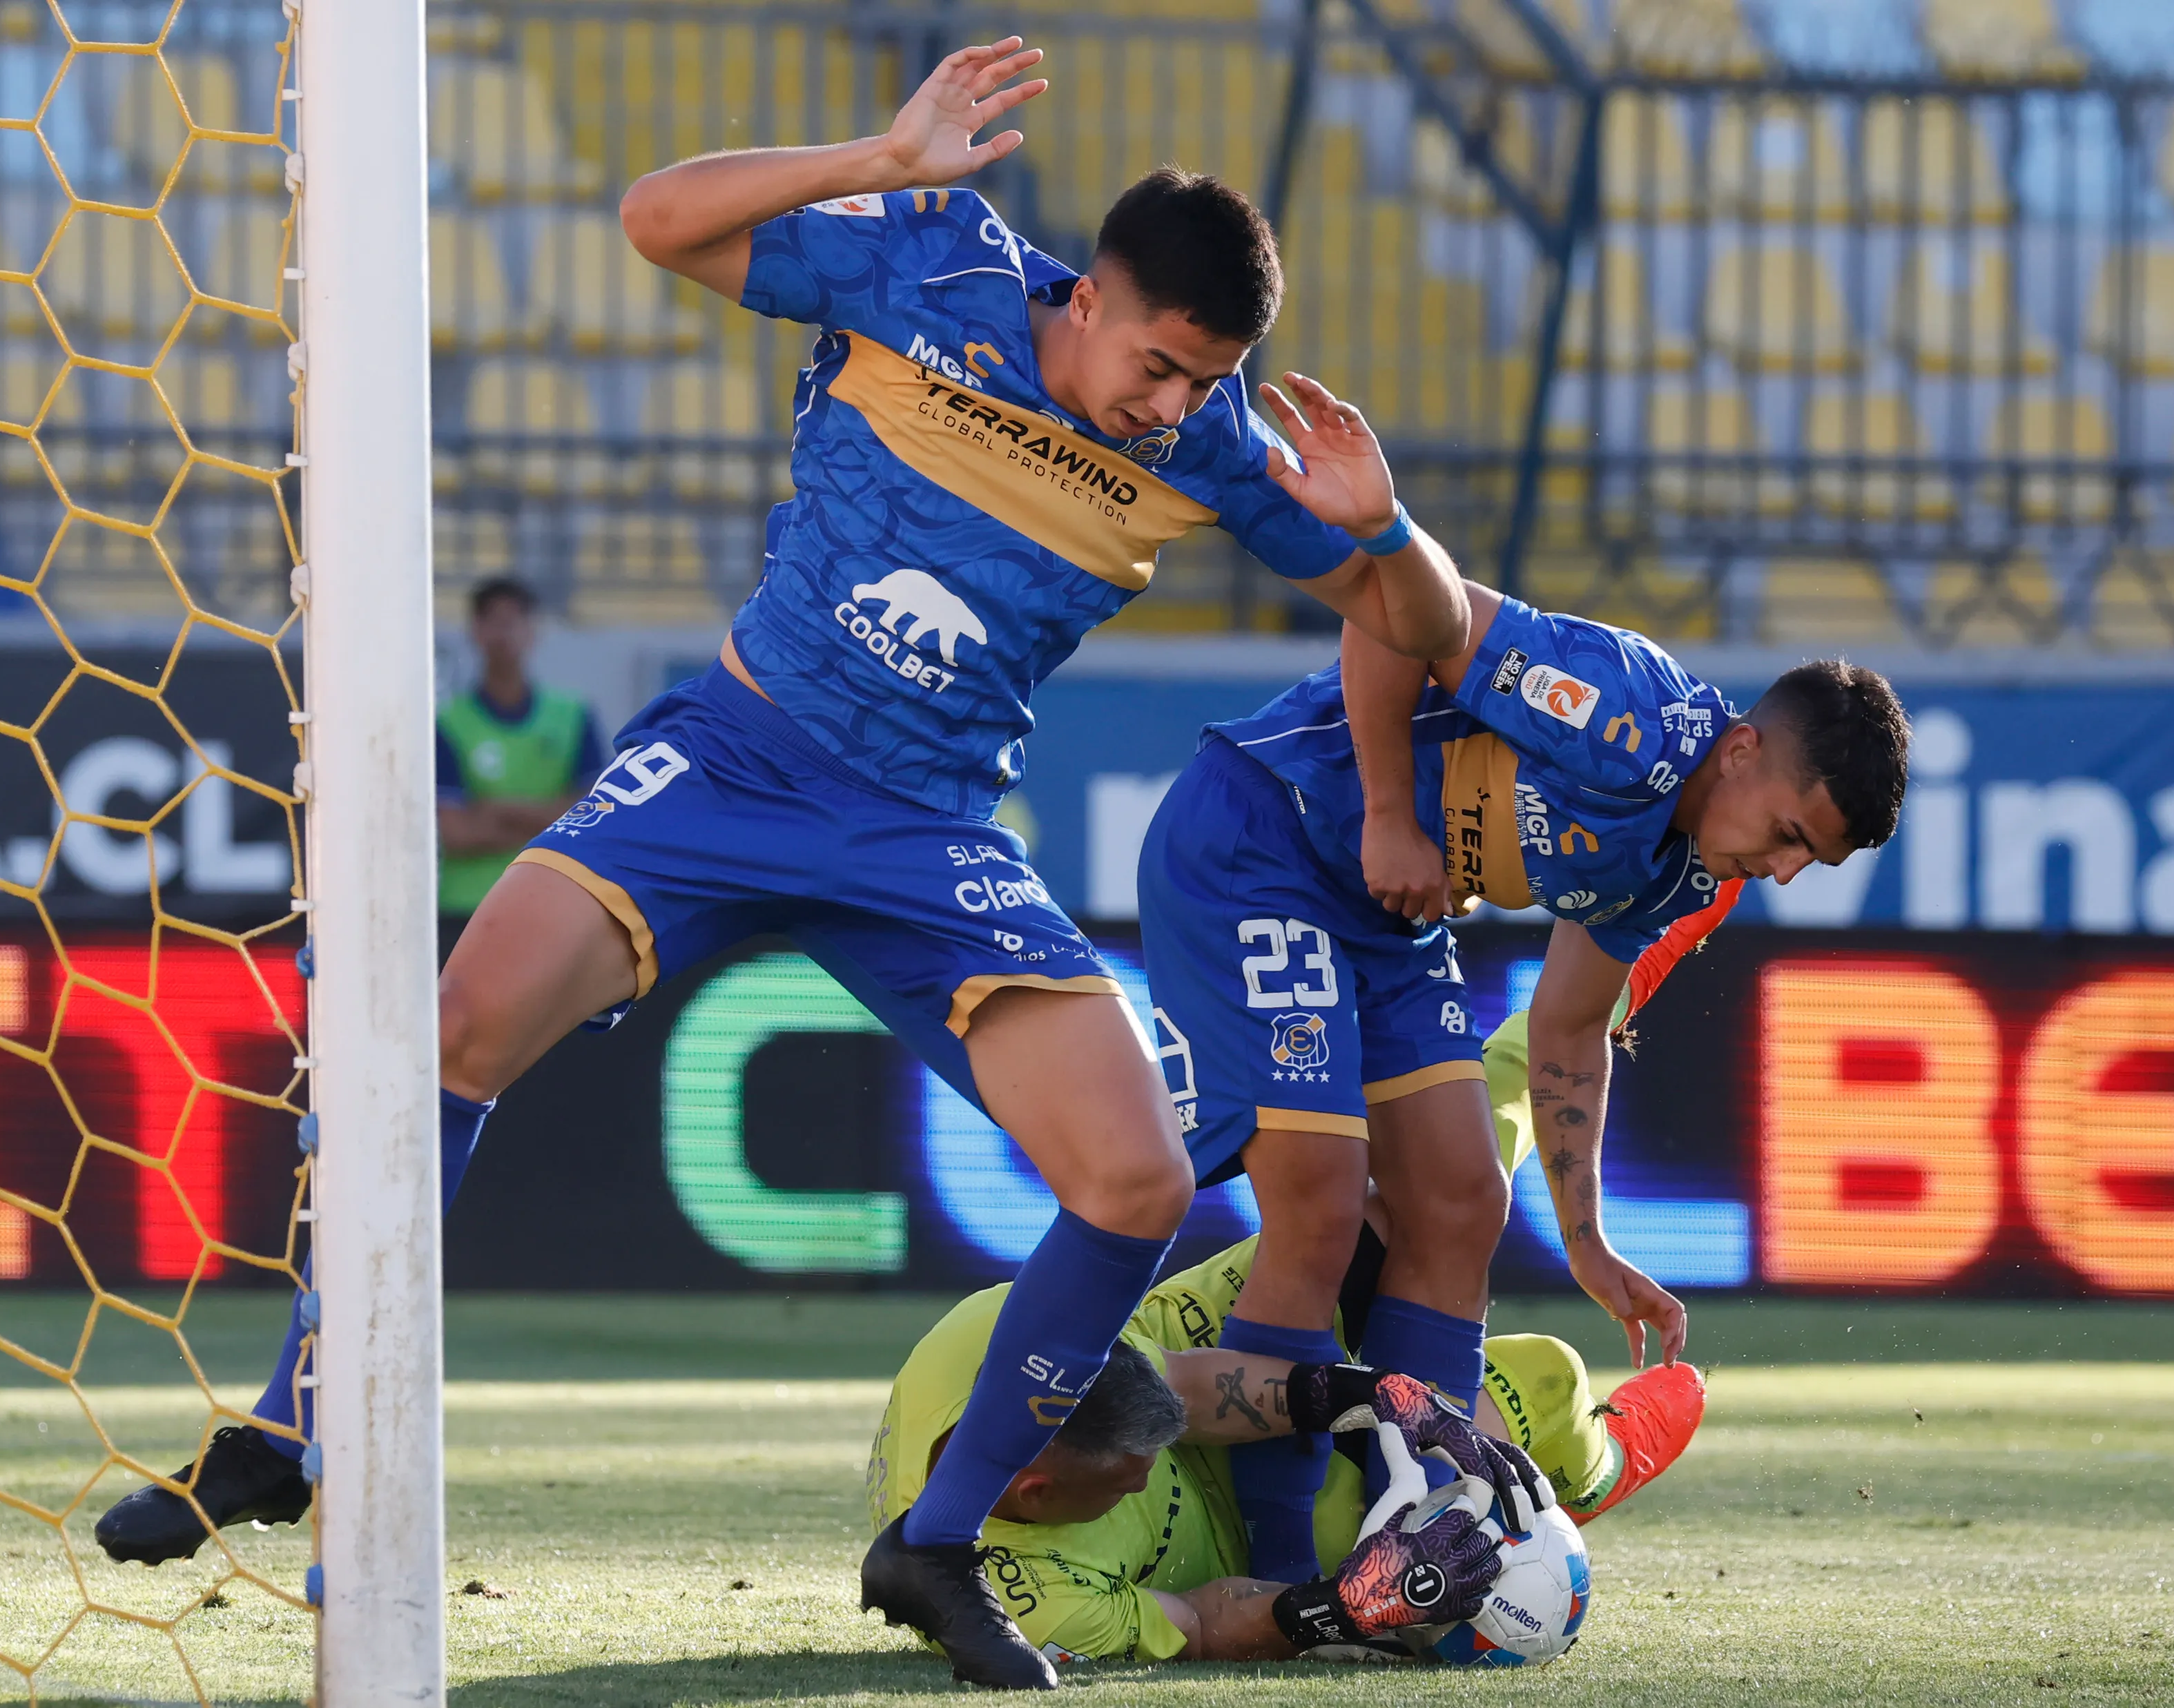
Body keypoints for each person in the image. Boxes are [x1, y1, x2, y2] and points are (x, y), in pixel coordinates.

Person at [91, 37, 1469, 1691]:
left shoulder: (1221, 445)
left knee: (1141, 1182)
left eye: (1204, 380)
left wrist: (1386, 529)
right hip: (737, 758)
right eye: (1161, 364)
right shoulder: (930, 262)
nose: (1172, 406)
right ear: (1090, 294)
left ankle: (936, 1542)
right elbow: (655, 219)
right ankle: (292, 1427)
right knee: (448, 1034)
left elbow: (1420, 625)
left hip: (927, 835)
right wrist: (879, 159)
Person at [1136, 574, 1906, 1581]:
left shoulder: (1684, 870)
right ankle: (1275, 1580)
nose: (1785, 871)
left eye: (1813, 861)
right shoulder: (1621, 711)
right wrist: (1387, 814)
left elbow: (1571, 1025)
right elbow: (1393, 609)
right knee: (1321, 1208)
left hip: (1386, 915)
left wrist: (1587, 1243)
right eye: (1791, 834)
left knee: (1461, 1200)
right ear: (1742, 750)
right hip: (1263, 840)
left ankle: (1411, 1550)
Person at [868, 1217, 1707, 1665]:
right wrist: (1342, 1607)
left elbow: (1190, 1389)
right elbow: (1200, 1622)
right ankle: (1596, 1473)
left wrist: (1375, 1393)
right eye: (1127, 1476)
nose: (1145, 1477)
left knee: (1395, 1206)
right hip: (1240, 1545)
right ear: (1035, 1489)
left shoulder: (1000, 1327)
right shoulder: (1022, 1601)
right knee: (1537, 1397)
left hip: (1193, 1348)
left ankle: (1609, 970)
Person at [437, 578, 612, 920]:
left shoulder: (573, 716)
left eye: (513, 621)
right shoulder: (448, 722)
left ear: (533, 630)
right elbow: (456, 833)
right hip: (468, 909)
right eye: (493, 621)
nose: (504, 634)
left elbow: (592, 818)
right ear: (475, 631)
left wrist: (497, 809)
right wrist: (552, 820)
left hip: (553, 902)